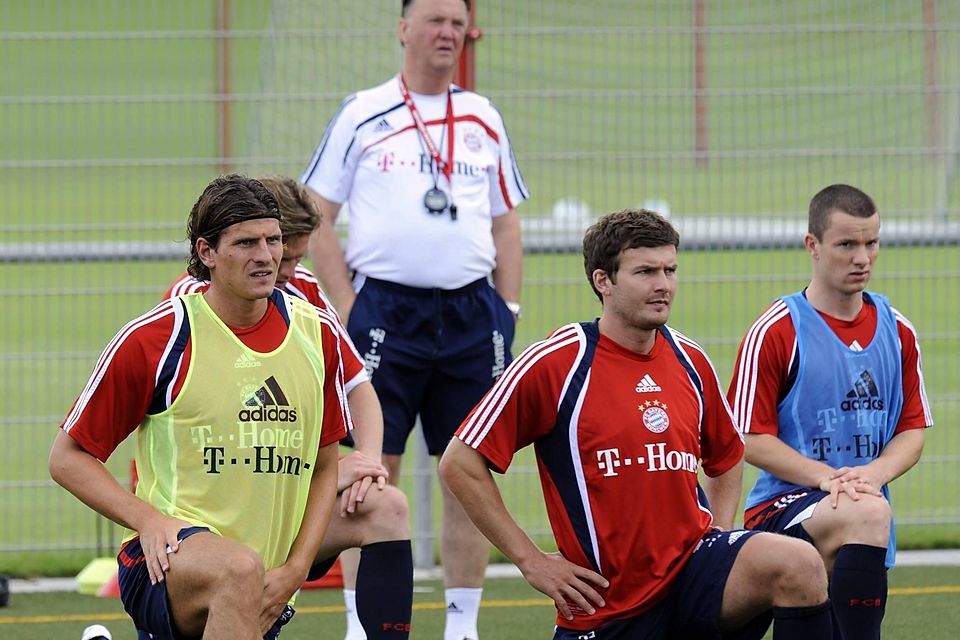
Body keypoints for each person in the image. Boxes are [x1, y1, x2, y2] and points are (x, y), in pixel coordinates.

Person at [439, 209, 835, 639]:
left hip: (691, 576)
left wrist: (718, 532)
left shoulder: (690, 359)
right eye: (645, 271)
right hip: (606, 608)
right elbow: (459, 463)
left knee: (800, 565)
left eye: (670, 270)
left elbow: (726, 455)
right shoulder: (558, 363)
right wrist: (531, 560)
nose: (663, 284)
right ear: (602, 281)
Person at [301, 1, 528, 638]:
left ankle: (462, 626)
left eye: (457, 23)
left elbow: (507, 222)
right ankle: (361, 623)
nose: (447, 33)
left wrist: (506, 311)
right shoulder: (363, 112)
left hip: (470, 315)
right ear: (403, 28)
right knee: (371, 469)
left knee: (467, 471)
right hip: (383, 313)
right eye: (434, 20)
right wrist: (347, 306)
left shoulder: (482, 117)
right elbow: (315, 213)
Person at [50, 174, 347, 640]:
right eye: (246, 243)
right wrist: (148, 519)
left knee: (248, 568)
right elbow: (67, 458)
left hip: (264, 579)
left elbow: (326, 466)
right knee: (240, 568)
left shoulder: (318, 336)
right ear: (206, 253)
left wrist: (296, 570)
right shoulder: (158, 339)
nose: (266, 256)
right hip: (163, 562)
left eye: (274, 240)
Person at [166, 176, 413, 640]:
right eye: (258, 245)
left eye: (288, 252)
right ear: (215, 250)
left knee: (387, 505)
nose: (282, 266)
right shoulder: (192, 304)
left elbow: (360, 387)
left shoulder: (306, 297)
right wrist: (312, 474)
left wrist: (368, 462)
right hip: (209, 508)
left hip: (286, 493)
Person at [727, 184, 932, 640]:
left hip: (860, 507)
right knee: (870, 513)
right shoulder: (778, 329)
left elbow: (912, 430)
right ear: (812, 246)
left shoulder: (898, 331)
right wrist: (825, 477)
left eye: (871, 243)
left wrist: (874, 474)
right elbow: (746, 437)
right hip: (783, 512)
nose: (862, 257)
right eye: (846, 244)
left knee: (867, 518)